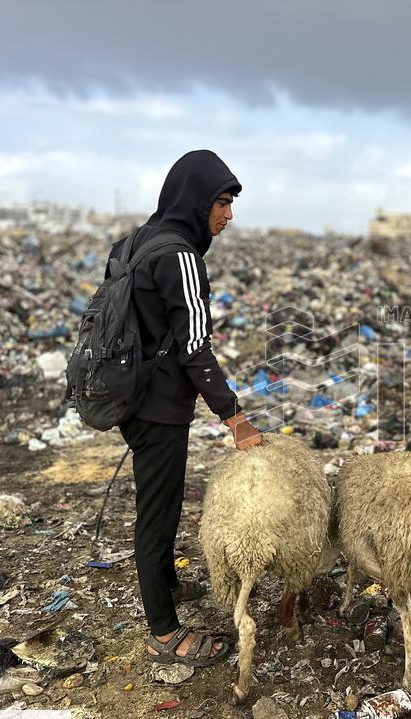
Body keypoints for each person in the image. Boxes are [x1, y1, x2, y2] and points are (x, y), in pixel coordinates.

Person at [106, 150, 262, 667]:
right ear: (195, 201)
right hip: (159, 407)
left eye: (231, 203)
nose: (228, 215)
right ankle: (164, 631)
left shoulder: (134, 242)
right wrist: (236, 418)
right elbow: (196, 347)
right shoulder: (181, 258)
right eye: (221, 202)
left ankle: (168, 584)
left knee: (162, 499)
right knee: (158, 514)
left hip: (128, 395)